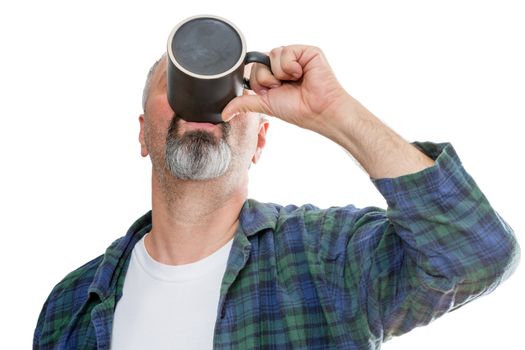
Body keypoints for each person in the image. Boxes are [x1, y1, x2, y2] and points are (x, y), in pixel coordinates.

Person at [34, 45, 520, 350]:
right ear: (143, 135)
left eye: (227, 84)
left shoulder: (326, 258)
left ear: (261, 141)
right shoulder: (71, 303)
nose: (203, 99)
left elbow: (474, 256)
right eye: (180, 82)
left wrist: (334, 113)